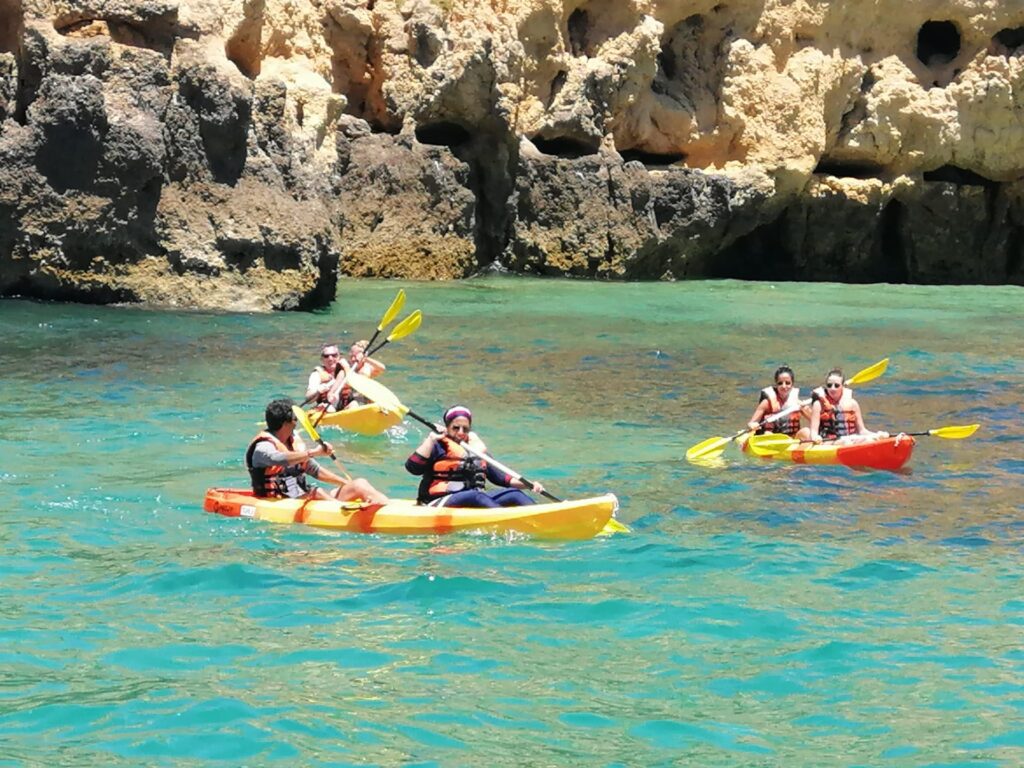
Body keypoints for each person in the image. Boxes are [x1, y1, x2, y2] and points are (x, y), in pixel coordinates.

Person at [246, 398, 388, 503]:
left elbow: (313, 469)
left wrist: (345, 483)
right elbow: (280, 459)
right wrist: (314, 452)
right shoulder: (263, 446)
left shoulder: (292, 439)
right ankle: (343, 512)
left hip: (303, 496)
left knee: (359, 484)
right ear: (287, 422)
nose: (297, 422)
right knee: (317, 492)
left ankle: (386, 506)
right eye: (295, 419)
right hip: (276, 502)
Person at [404, 405, 545, 507]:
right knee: (476, 495)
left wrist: (530, 485)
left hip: (474, 499)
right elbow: (412, 468)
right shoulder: (437, 445)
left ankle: (540, 517)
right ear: (447, 427)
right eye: (455, 427)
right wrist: (430, 439)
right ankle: (504, 522)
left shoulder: (476, 450)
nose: (460, 432)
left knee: (514, 494)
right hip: (435, 502)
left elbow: (504, 479)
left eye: (465, 428)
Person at [808, 368, 889, 445]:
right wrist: (815, 438)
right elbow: (814, 432)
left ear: (842, 386)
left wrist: (875, 435)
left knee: (872, 438)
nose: (832, 388)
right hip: (829, 442)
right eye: (829, 385)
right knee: (846, 442)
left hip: (850, 439)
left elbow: (862, 430)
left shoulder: (853, 404)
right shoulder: (818, 405)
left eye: (836, 385)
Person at [746, 365, 811, 440]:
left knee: (806, 432)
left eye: (787, 383)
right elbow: (751, 423)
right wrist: (752, 425)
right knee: (768, 434)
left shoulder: (797, 403)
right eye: (780, 383)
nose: (784, 386)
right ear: (776, 385)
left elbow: (816, 421)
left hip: (792, 440)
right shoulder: (767, 403)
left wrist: (805, 408)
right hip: (773, 439)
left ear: (792, 384)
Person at [327, 340, 387, 410]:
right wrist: (331, 396)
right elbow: (331, 392)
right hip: (348, 402)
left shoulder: (368, 368)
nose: (353, 359)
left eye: (356, 356)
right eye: (351, 356)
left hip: (364, 400)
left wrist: (366, 358)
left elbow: (382, 368)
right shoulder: (344, 370)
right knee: (354, 404)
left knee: (377, 400)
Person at [305, 344, 343, 411]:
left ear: (339, 357)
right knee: (329, 409)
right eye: (326, 356)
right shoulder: (316, 375)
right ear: (322, 359)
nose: (330, 359)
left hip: (346, 409)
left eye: (334, 355)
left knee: (354, 404)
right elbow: (308, 400)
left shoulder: (347, 370)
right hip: (326, 409)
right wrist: (318, 391)